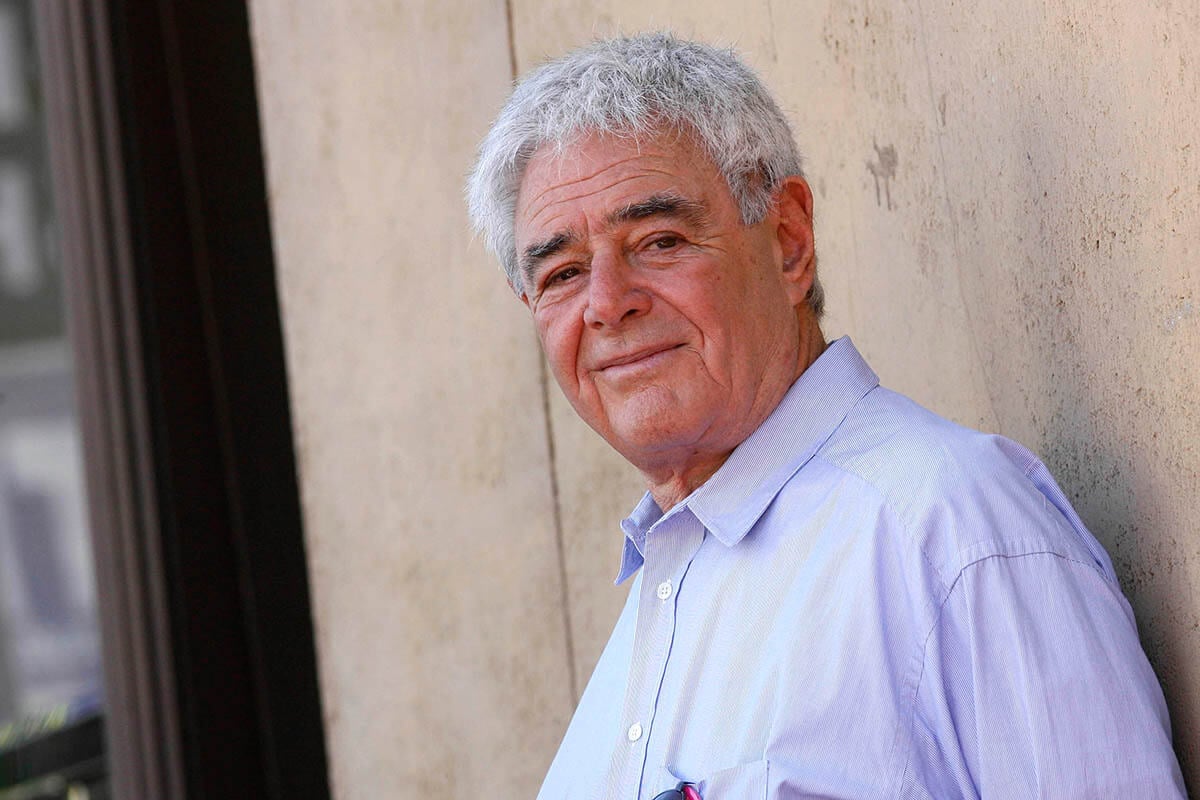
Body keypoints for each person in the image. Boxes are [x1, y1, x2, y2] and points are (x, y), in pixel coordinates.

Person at [466, 32, 1185, 799]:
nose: (608, 303)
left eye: (659, 241)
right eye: (563, 273)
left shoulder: (951, 532)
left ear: (788, 242)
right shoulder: (657, 600)